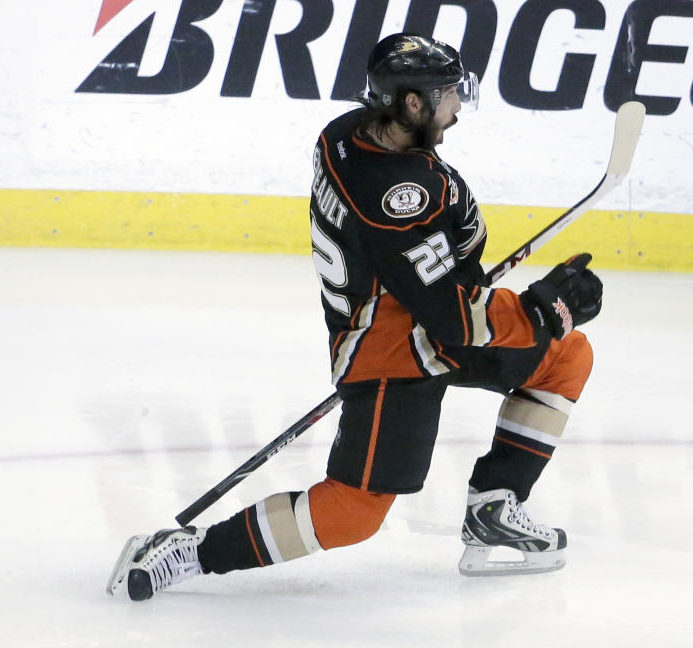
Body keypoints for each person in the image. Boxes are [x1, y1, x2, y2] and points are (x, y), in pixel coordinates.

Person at [107, 33, 603, 601]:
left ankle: (494, 504)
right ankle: (191, 553)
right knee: (354, 513)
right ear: (412, 104)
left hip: (415, 315)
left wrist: (473, 276)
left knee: (565, 360)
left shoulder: (349, 134)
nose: (457, 104)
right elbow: (457, 323)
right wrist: (541, 310)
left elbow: (439, 276)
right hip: (393, 350)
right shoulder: (396, 197)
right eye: (446, 94)